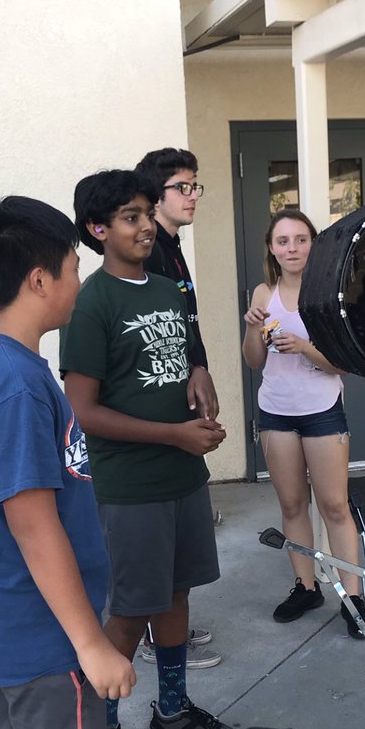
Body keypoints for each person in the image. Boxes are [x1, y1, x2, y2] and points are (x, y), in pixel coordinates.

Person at [0, 196, 157, 729]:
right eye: (70, 265)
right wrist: (92, 644)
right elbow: (30, 518)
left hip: (6, 629)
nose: (78, 279)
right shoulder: (19, 381)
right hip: (45, 635)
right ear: (38, 278)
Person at [60, 169, 242, 729]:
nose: (143, 227)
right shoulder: (92, 301)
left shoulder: (167, 289)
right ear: (98, 230)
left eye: (145, 214)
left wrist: (201, 377)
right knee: (129, 609)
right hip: (130, 483)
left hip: (182, 475)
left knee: (175, 595)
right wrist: (173, 436)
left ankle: (171, 710)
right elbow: (82, 410)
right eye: (130, 218)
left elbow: (190, 353)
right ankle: (101, 726)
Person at [242, 209, 365, 637]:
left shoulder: (331, 294)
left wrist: (303, 346)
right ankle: (305, 585)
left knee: (334, 505)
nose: (292, 248)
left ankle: (353, 598)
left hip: (322, 410)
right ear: (272, 249)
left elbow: (344, 366)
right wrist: (250, 329)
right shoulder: (264, 293)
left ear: (313, 245)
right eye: (283, 241)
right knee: (293, 505)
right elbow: (255, 361)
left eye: (300, 239)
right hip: (276, 410)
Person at [135, 146, 220, 670]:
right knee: (157, 534)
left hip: (184, 386)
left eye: (195, 186)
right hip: (159, 407)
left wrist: (202, 366)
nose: (192, 196)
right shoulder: (152, 250)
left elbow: (187, 320)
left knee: (181, 530)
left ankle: (172, 624)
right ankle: (157, 635)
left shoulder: (173, 245)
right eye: (182, 188)